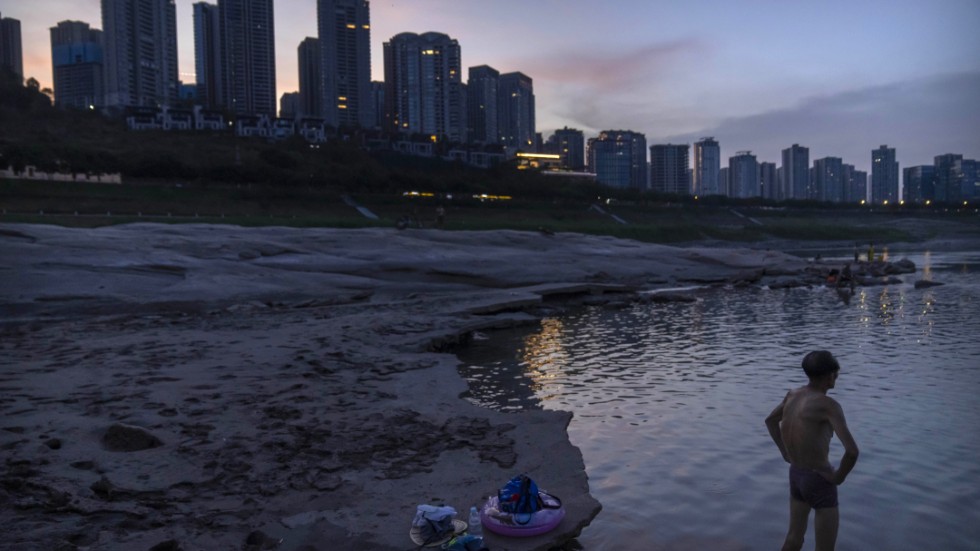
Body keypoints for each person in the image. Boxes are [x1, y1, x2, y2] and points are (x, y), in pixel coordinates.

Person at [765, 351, 859, 551]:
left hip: (797, 475)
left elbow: (771, 421)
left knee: (793, 539)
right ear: (829, 375)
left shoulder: (792, 395)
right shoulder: (828, 406)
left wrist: (785, 452)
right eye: (836, 373)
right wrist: (838, 478)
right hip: (819, 478)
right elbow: (851, 452)